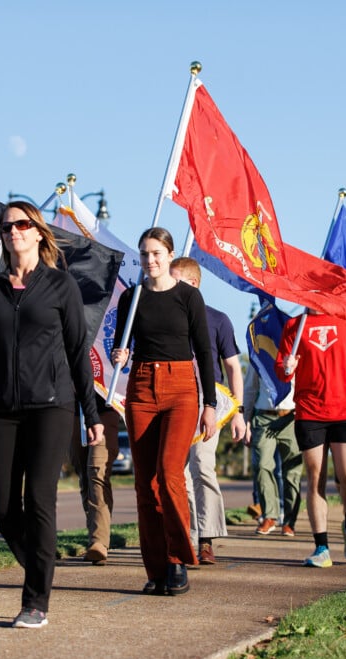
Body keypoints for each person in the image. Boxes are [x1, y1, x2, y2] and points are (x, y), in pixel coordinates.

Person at [0, 200, 103, 629]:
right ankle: (41, 560)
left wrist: (90, 413)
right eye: (7, 227)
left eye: (22, 225)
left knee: (39, 499)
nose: (14, 231)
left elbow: (79, 352)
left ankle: (35, 600)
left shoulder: (61, 287)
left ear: (38, 233)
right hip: (3, 408)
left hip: (52, 407)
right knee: (2, 504)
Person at [111, 227, 216, 597]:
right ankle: (155, 569)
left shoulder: (188, 297)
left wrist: (210, 405)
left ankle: (177, 560)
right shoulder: (133, 297)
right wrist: (118, 356)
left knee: (169, 475)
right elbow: (120, 345)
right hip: (140, 387)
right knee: (145, 484)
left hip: (181, 388)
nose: (150, 260)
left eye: (156, 253)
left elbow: (204, 352)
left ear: (170, 255)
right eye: (144, 254)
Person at [274, 311, 346, 568]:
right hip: (310, 413)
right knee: (315, 477)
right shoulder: (294, 325)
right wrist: (286, 367)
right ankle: (321, 547)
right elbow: (282, 371)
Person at [169, 257, 248, 565]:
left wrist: (239, 411)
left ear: (193, 284)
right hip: (175, 397)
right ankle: (187, 536)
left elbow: (232, 367)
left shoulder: (217, 319)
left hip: (208, 403)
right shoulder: (168, 319)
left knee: (202, 465)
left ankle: (207, 538)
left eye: (175, 281)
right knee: (180, 474)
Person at [243, 364, 302, 537]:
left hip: (292, 417)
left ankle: (290, 521)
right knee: (262, 466)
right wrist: (245, 420)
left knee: (292, 472)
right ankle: (269, 516)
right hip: (264, 417)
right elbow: (250, 389)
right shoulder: (258, 351)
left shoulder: (296, 348)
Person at [68, 396, 122, 565]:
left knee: (97, 472)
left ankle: (99, 542)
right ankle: (93, 533)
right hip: (74, 410)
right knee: (84, 475)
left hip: (104, 407)